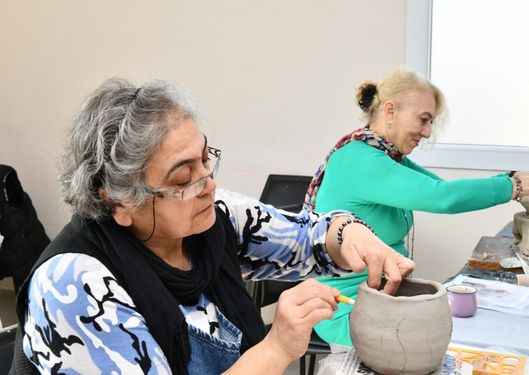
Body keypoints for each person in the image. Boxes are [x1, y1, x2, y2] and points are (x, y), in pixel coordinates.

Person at [13, 78, 415, 375]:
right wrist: (275, 348)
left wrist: (351, 234)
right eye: (182, 177)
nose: (208, 183)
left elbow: (310, 239)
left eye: (206, 159)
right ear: (120, 200)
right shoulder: (73, 285)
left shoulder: (212, 214)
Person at [304, 68, 529, 347]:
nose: (427, 131)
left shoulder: (385, 155)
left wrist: (515, 179)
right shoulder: (359, 158)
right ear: (390, 111)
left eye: (430, 122)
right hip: (347, 308)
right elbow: (443, 198)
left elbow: (444, 188)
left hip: (381, 298)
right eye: (423, 120)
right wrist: (518, 185)